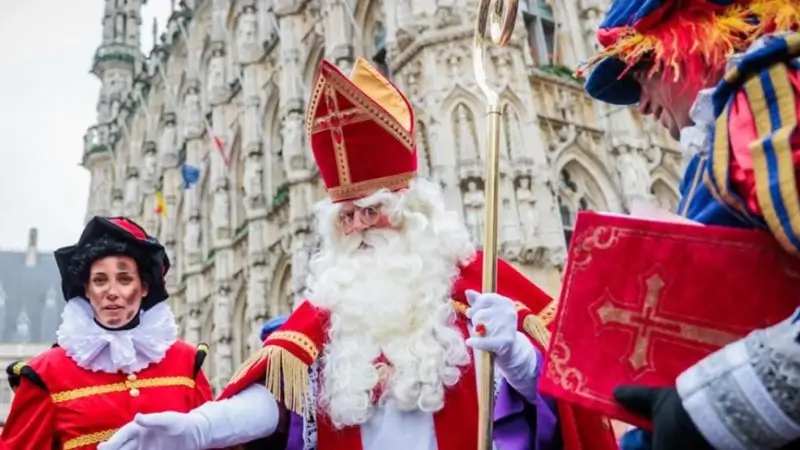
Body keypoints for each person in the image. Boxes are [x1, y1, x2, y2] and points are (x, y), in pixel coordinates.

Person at [98, 57, 618, 450]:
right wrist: (198, 429)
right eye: (346, 217)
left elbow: (566, 396)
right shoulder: (331, 304)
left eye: (372, 210)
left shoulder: (478, 283)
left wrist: (518, 355)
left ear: (412, 211)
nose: (360, 227)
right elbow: (277, 399)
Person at [579, 0, 800, 448]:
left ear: (689, 42)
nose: (642, 105)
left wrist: (706, 410)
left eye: (643, 72)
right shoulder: (722, 134)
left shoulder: (767, 98)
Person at [1, 216, 213, 449]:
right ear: (87, 289)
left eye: (124, 279)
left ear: (143, 287)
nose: (112, 292)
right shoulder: (46, 374)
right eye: (100, 280)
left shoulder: (185, 362)